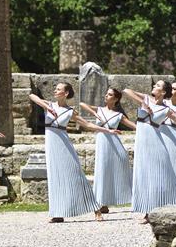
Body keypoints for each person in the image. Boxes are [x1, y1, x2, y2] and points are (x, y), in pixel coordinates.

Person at [29, 82, 116, 223]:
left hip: (64, 145)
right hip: (51, 146)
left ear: (66, 93)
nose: (55, 90)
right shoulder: (50, 105)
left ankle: (96, 208)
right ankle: (58, 213)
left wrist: (108, 130)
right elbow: (32, 96)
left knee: (77, 175)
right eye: (55, 88)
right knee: (55, 177)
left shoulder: (70, 111)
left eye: (58, 89)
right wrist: (47, 108)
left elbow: (87, 124)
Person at [123, 81, 176, 223]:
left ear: (163, 92)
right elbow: (127, 90)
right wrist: (144, 104)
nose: (154, 87)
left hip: (156, 144)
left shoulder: (166, 110)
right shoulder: (146, 98)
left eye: (158, 86)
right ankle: (147, 211)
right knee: (143, 175)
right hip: (142, 145)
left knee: (159, 175)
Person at [79, 87, 136, 213]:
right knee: (102, 172)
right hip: (102, 144)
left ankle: (134, 198)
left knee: (117, 172)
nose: (106, 96)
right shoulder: (99, 110)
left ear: (115, 99)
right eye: (106, 94)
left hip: (115, 146)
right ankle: (101, 203)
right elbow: (82, 104)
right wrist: (94, 114)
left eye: (109, 95)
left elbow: (134, 126)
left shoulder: (119, 115)